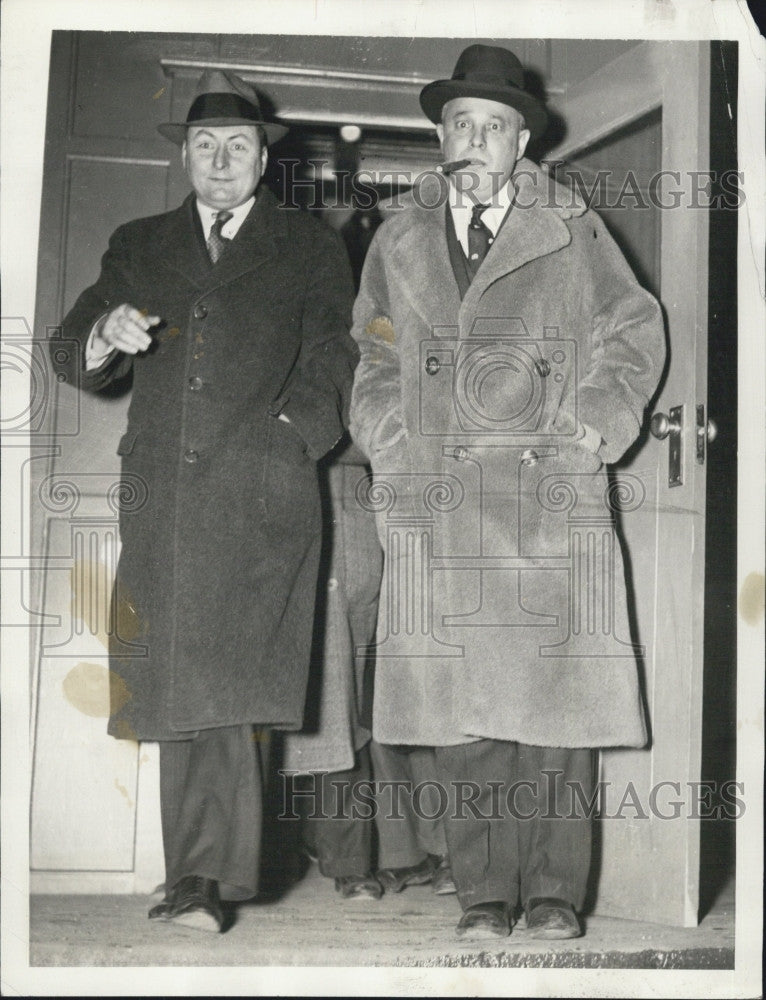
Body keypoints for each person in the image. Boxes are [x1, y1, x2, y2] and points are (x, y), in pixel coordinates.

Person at [349, 44, 665, 940]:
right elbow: (370, 355)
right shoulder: (397, 235)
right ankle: (484, 891)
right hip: (437, 495)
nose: (475, 140)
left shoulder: (569, 221)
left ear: (521, 139)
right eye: (460, 124)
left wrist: (594, 420)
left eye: (494, 126)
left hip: (543, 495)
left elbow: (633, 325)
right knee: (465, 713)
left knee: (556, 711)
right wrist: (391, 442)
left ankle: (557, 892)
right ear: (440, 136)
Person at [52, 69, 358, 932]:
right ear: (185, 156)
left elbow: (338, 353)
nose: (221, 161)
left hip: (261, 488)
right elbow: (68, 343)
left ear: (264, 159)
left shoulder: (309, 245)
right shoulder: (139, 241)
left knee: (230, 687)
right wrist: (103, 337)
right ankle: (194, 876)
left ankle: (209, 882)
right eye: (205, 146)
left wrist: (290, 435)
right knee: (175, 685)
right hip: (168, 495)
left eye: (238, 146)